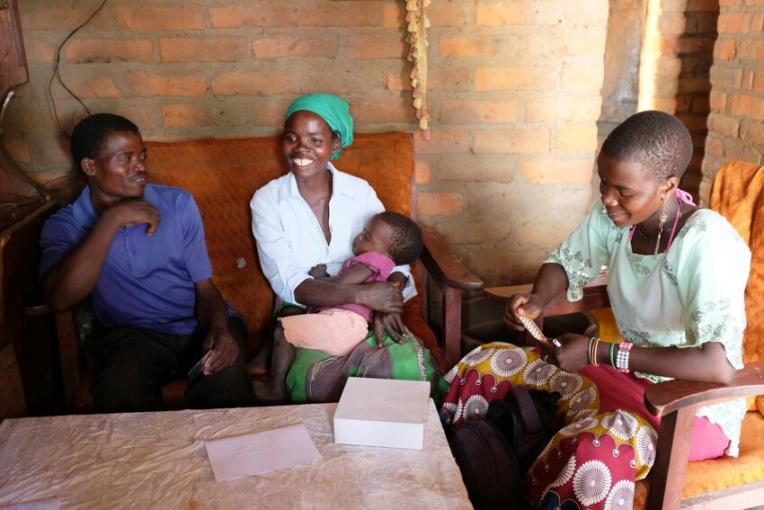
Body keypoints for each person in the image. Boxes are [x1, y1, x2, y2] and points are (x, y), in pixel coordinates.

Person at [440, 111, 750, 509]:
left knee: (595, 453)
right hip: (628, 377)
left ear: (668, 186)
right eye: (604, 182)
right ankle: (452, 488)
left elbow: (718, 365)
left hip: (691, 409)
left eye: (623, 190)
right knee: (486, 365)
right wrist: (537, 300)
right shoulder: (618, 217)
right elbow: (565, 264)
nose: (607, 198)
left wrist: (596, 352)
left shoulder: (706, 243)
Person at [40, 113, 254, 412]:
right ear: (90, 166)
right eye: (125, 158)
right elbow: (60, 298)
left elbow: (205, 289)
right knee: (119, 391)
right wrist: (112, 220)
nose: (140, 166)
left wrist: (221, 330)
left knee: (227, 381)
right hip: (133, 337)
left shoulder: (177, 204)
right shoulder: (65, 225)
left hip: (198, 325)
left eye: (142, 156)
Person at [250, 93, 439, 403]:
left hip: (366, 309)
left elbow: (397, 259)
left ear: (335, 143)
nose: (302, 149)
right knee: (312, 377)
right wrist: (362, 295)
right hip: (306, 308)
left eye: (315, 139)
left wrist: (386, 301)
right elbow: (288, 283)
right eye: (292, 138)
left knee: (404, 366)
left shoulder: (360, 192)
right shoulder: (268, 201)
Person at [255, 211, 424, 401]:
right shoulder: (381, 263)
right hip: (347, 326)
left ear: (385, 253)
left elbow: (341, 285)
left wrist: (317, 279)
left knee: (282, 330)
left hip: (342, 324)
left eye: (367, 236)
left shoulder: (372, 260)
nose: (359, 236)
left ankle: (275, 389)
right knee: (291, 327)